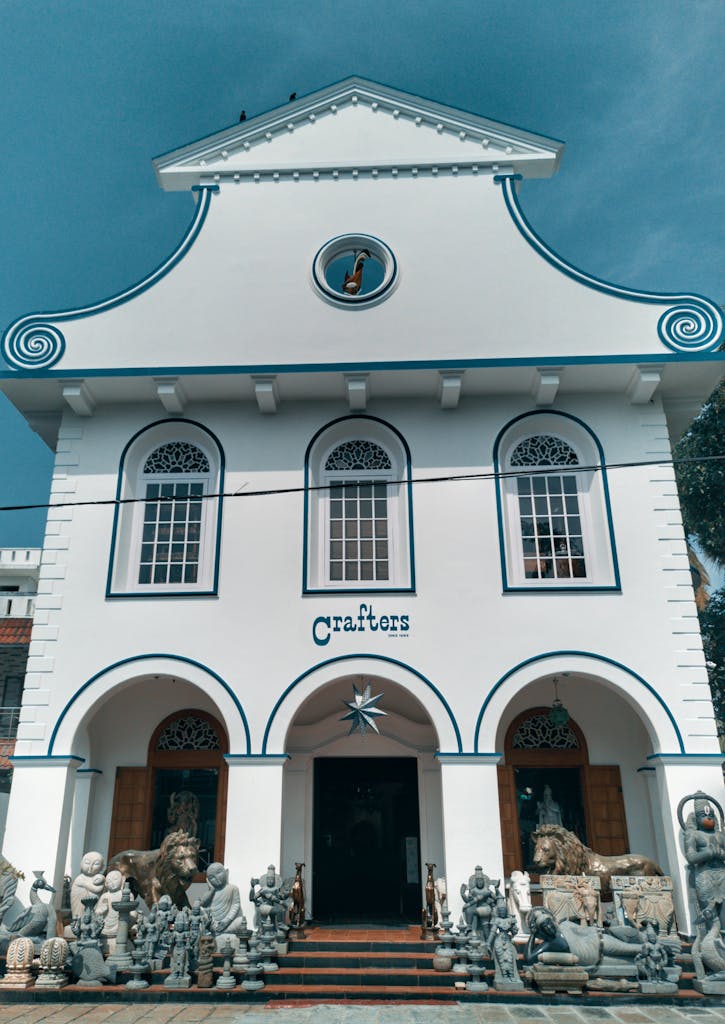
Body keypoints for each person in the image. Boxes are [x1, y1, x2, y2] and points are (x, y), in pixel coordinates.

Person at [201, 863, 247, 940]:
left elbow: (235, 905)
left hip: (228, 923)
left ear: (226, 872)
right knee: (200, 911)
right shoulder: (210, 892)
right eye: (211, 877)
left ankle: (220, 932)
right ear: (208, 880)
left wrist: (226, 921)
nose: (216, 878)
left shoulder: (232, 888)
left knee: (241, 921)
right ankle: (216, 931)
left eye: (219, 873)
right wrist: (211, 890)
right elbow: (202, 904)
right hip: (213, 924)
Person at [70, 851, 106, 920]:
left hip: (94, 906)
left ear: (102, 867)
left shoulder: (99, 878)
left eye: (96, 864)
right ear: (81, 864)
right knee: (79, 915)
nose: (90, 867)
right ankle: (77, 921)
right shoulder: (80, 878)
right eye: (87, 863)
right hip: (80, 903)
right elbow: (96, 889)